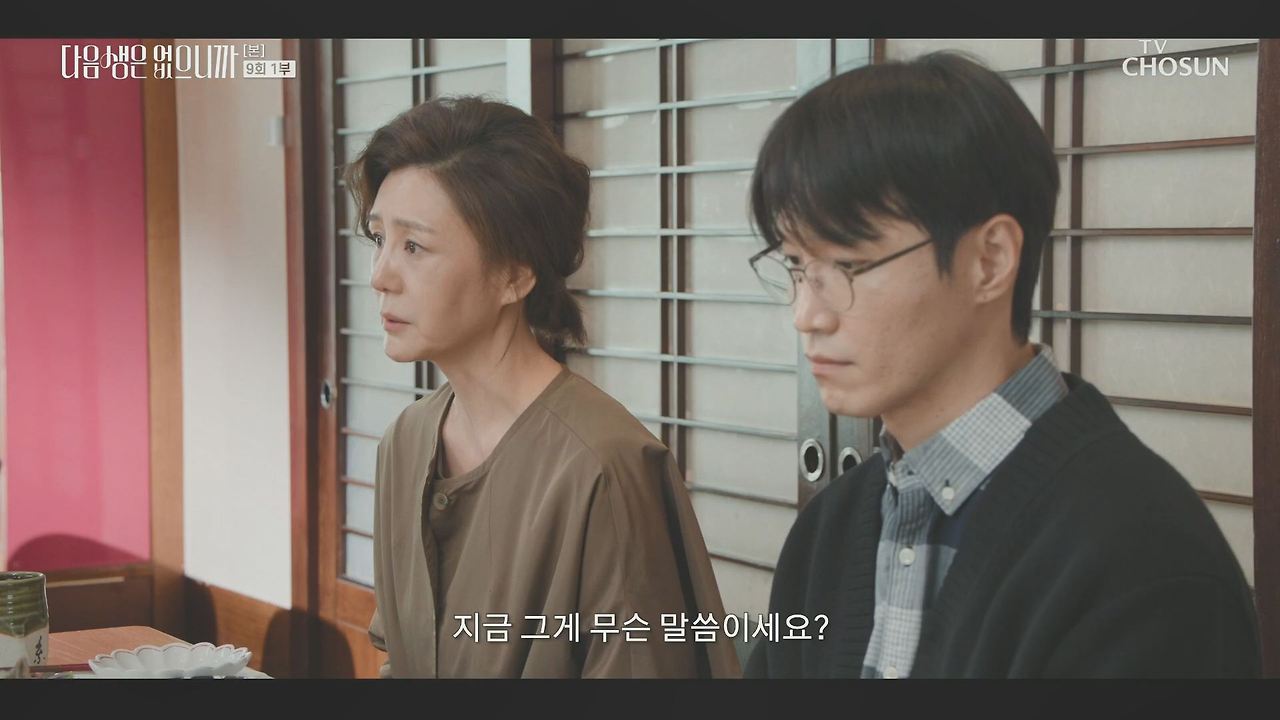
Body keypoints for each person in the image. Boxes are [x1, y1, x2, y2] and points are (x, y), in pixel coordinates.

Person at [742, 52, 1260, 678]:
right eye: (797, 266)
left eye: (848, 265)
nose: (806, 314)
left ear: (989, 261)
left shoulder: (1141, 560)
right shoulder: (829, 531)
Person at [350, 96, 739, 678]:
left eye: (414, 246)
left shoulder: (603, 466)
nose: (380, 275)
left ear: (514, 274)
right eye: (379, 238)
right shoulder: (405, 441)